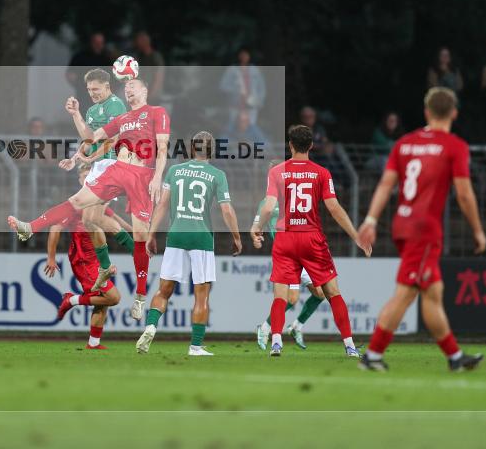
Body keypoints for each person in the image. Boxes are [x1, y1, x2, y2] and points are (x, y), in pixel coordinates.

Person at [8, 77, 170, 321]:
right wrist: (76, 156)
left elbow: (163, 147)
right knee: (78, 204)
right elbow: (93, 138)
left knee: (139, 235)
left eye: (133, 86)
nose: (128, 89)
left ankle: (139, 297)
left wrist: (157, 177)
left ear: (145, 91)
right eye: (126, 87)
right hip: (117, 170)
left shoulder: (157, 112)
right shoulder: (122, 119)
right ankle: (29, 228)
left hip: (142, 176)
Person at [357, 87, 486, 373]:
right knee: (406, 293)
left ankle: (455, 357)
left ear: (427, 112)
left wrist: (371, 219)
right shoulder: (454, 146)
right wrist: (478, 230)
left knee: (432, 292)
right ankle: (372, 355)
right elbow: (464, 195)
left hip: (402, 225)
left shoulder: (404, 143)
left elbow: (386, 184)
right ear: (454, 113)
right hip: (424, 229)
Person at [251, 125, 371, 358]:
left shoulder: (277, 172)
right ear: (312, 146)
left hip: (285, 237)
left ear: (290, 145)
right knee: (333, 292)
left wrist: (256, 227)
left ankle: (276, 342)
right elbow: (334, 208)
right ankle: (349, 345)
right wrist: (356, 236)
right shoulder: (321, 172)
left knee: (280, 295)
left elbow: (267, 207)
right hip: (311, 237)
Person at [136, 131, 243, 356]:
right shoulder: (217, 175)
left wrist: (151, 234)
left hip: (176, 235)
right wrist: (236, 237)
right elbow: (226, 210)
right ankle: (195, 346)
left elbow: (162, 205)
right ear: (212, 151)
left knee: (163, 290)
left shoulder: (175, 171)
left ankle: (151, 326)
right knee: (201, 295)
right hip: (201, 237)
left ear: (192, 148)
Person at [44, 162, 126, 349]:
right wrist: (51, 258)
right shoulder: (75, 203)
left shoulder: (98, 201)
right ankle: (71, 300)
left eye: (91, 175)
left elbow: (117, 221)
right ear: (80, 179)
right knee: (113, 297)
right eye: (84, 176)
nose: (89, 179)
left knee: (102, 300)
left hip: (96, 258)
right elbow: (55, 228)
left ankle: (93, 343)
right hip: (83, 258)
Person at [64, 68, 135, 270]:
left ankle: (134, 250)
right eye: (89, 89)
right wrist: (76, 115)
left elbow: (115, 138)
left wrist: (91, 156)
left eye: (95, 89)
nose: (92, 93)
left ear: (107, 86)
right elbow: (89, 139)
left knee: (88, 213)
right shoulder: (92, 111)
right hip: (98, 165)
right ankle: (107, 265)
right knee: (89, 220)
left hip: (112, 163)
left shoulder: (115, 104)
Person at [253, 194, 326, 351]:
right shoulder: (267, 202)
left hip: (304, 253)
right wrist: (256, 237)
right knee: (291, 299)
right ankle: (266, 328)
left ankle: (296, 326)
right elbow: (258, 225)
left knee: (320, 293)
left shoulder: (296, 197)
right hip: (287, 256)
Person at [220, 48, 266, 134]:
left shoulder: (255, 70)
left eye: (246, 54)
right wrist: (236, 91)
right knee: (232, 125)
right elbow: (223, 86)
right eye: (242, 54)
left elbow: (261, 88)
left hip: (251, 104)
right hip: (236, 104)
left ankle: (263, 142)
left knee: (251, 126)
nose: (244, 57)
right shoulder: (232, 69)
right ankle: (224, 142)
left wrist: (260, 101)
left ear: (249, 56)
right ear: (238, 56)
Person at [65, 32, 112, 100]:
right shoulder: (80, 57)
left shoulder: (107, 59)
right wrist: (78, 85)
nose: (98, 45)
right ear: (91, 43)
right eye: (96, 43)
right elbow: (70, 74)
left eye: (101, 43)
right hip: (83, 95)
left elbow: (114, 77)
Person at [133, 31, 166, 103]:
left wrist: (151, 94)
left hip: (153, 96)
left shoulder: (155, 57)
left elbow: (159, 78)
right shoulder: (140, 57)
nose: (137, 44)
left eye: (139, 41)